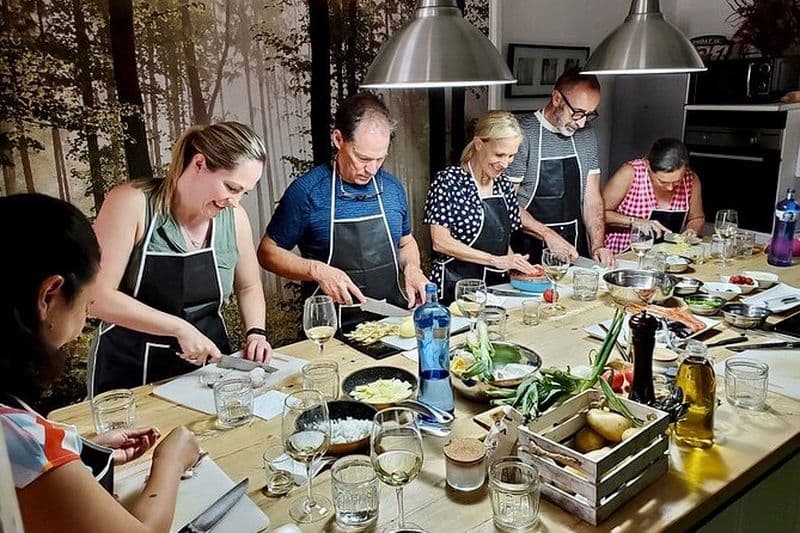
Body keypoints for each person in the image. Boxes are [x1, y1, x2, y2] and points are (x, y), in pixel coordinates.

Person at [0, 193, 201, 532]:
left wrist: (76, 450)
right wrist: (170, 460)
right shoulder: (22, 440)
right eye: (87, 301)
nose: (87, 316)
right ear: (49, 296)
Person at [88, 121, 272, 396]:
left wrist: (256, 332)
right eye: (231, 188)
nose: (236, 202)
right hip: (129, 372)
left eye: (244, 193)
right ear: (199, 163)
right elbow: (95, 298)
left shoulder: (235, 219)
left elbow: (249, 286)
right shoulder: (131, 203)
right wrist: (179, 329)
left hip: (208, 368)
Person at [259, 92, 428, 324]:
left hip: (392, 322)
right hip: (330, 328)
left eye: (380, 159)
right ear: (338, 139)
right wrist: (316, 271)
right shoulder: (307, 192)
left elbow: (406, 242)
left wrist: (412, 268)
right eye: (363, 158)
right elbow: (268, 252)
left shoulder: (392, 189)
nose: (372, 170)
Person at [424, 110, 537, 302]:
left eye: (511, 156)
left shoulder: (504, 184)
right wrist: (495, 260)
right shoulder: (449, 181)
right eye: (499, 154)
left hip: (497, 289)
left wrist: (518, 266)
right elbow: (440, 242)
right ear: (478, 144)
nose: (505, 163)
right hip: (456, 291)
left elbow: (501, 242)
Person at [506, 68, 615, 266]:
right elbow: (506, 203)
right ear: (557, 98)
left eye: (589, 115)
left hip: (574, 247)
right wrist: (547, 234)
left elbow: (591, 199)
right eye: (578, 113)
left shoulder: (587, 136)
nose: (582, 123)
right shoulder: (523, 134)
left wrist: (598, 245)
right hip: (527, 251)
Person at [603, 138, 705, 254]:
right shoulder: (630, 173)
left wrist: (692, 230)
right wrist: (634, 221)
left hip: (666, 254)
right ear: (647, 165)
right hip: (625, 253)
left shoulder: (691, 179)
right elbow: (599, 213)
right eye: (663, 181)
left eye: (677, 181)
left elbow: (697, 218)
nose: (670, 188)